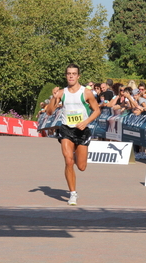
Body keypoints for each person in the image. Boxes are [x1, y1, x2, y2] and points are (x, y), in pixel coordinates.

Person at [46, 63, 100, 206]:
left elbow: (97, 110)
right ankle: (73, 194)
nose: (71, 76)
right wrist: (53, 97)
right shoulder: (62, 93)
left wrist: (86, 121)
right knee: (68, 161)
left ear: (78, 76)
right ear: (66, 76)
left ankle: (76, 154)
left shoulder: (85, 92)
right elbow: (49, 112)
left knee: (81, 167)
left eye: (74, 74)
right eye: (68, 73)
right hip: (66, 130)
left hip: (82, 131)